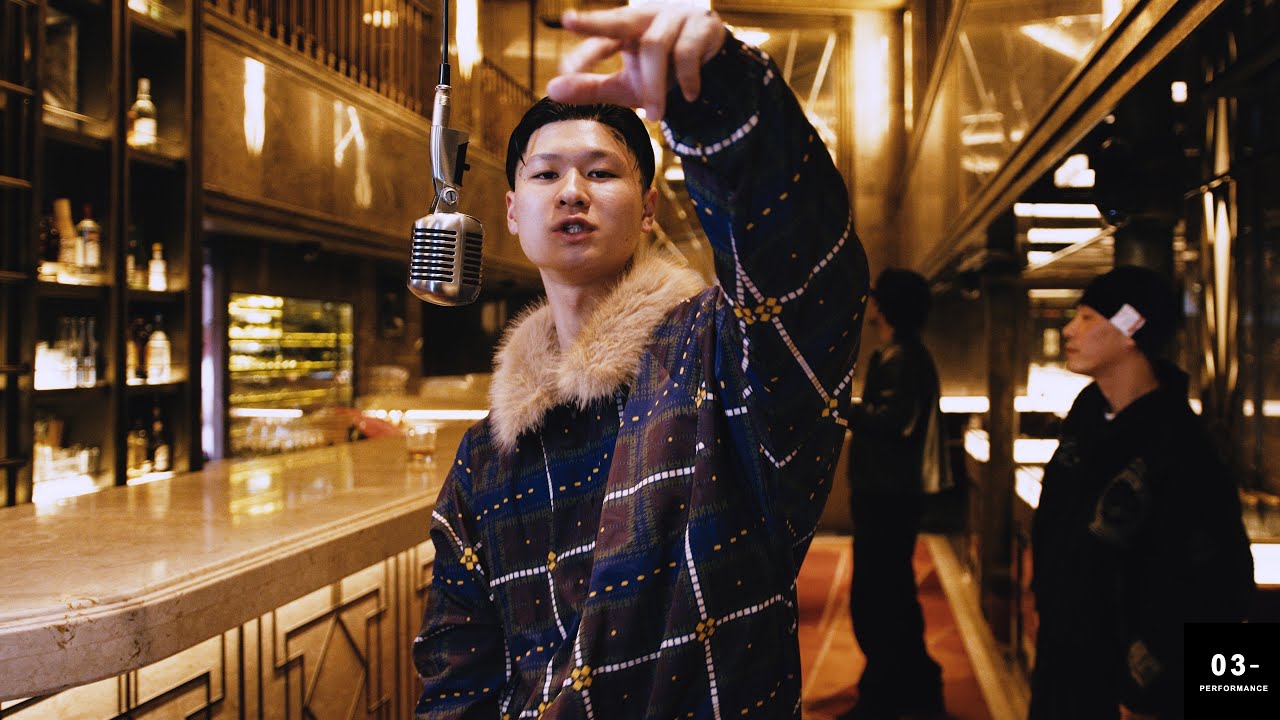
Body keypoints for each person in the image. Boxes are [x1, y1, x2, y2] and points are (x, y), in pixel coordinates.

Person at [411, 3, 868, 718]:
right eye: (545, 176)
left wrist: (718, 95)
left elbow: (807, 274)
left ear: (648, 208)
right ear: (511, 212)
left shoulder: (717, 363)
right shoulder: (483, 460)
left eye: (600, 172)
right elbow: (456, 680)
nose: (572, 191)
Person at [1029, 265, 1255, 720]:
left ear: (1131, 330)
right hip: (1064, 660)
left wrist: (1155, 680)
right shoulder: (1085, 418)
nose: (1070, 330)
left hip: (1131, 685)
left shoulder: (1180, 445)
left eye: (1088, 318)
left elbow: (1219, 582)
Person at [842, 268, 947, 720]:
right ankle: (908, 689)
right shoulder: (905, 354)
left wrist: (839, 406)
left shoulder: (901, 358)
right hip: (891, 493)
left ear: (885, 306)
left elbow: (892, 421)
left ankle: (887, 694)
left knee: (879, 597)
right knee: (890, 593)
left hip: (887, 495)